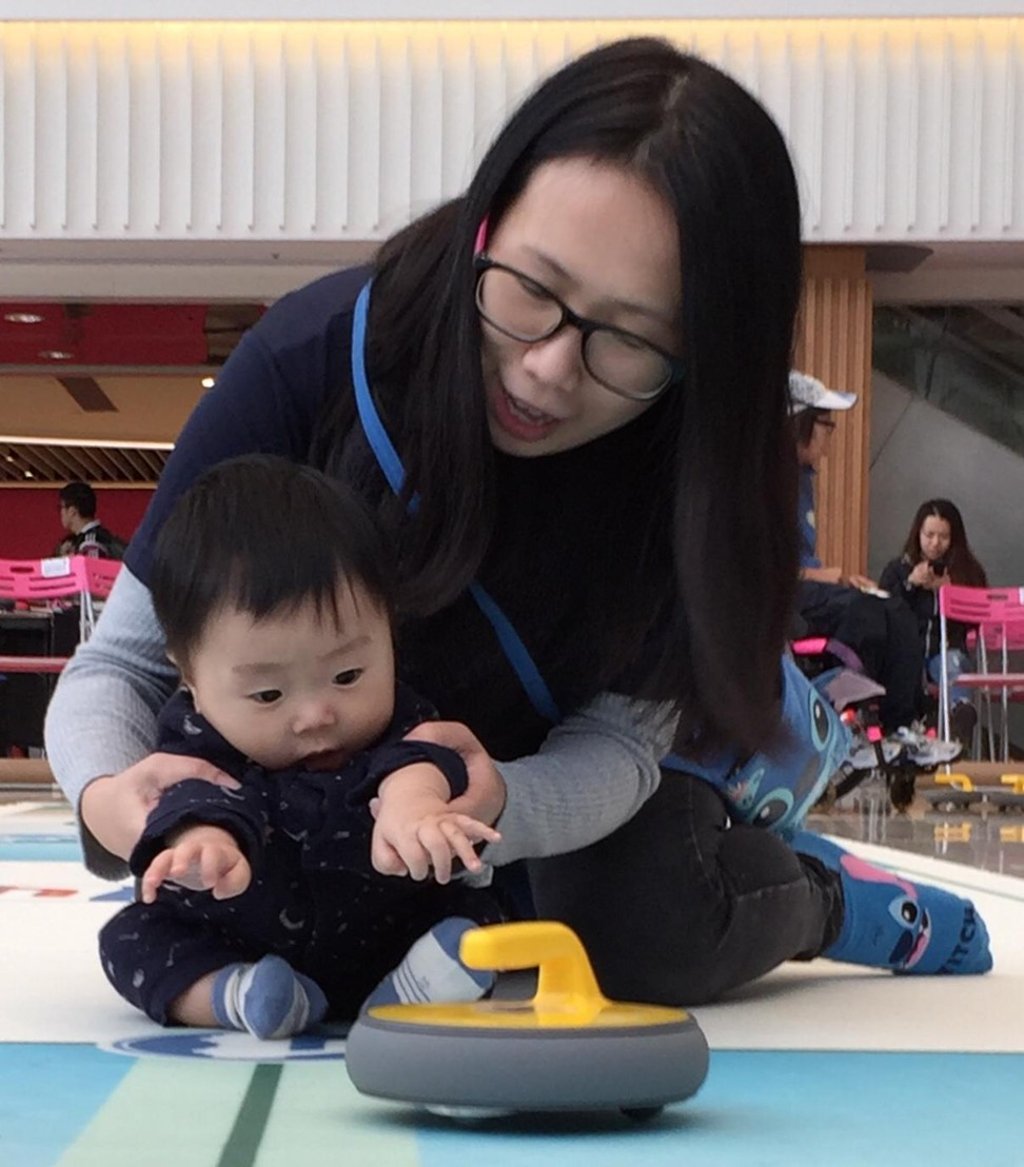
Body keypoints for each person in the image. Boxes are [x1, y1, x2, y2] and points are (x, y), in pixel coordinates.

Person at [46, 37, 991, 1008]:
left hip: (521, 783)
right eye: (531, 291)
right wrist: (123, 798)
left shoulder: (684, 475)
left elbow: (619, 751)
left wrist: (500, 798)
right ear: (484, 227)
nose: (546, 369)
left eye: (627, 339)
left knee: (634, 922)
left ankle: (824, 895)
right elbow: (122, 668)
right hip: (311, 766)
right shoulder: (319, 361)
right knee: (140, 786)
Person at [100, 455, 503, 1038]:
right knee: (129, 940)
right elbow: (194, 798)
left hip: (387, 929)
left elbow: (417, 761)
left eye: (348, 676)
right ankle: (235, 996)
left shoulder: (396, 720)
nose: (317, 715)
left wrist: (416, 810)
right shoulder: (197, 740)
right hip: (241, 939)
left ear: (389, 634)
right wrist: (203, 845)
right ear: (190, 677)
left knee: (479, 919)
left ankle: (409, 993)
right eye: (267, 693)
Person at [789, 371, 958, 768]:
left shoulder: (802, 480)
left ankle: (900, 727)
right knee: (865, 613)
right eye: (826, 426)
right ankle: (844, 723)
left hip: (812, 590)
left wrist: (840, 579)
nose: (830, 439)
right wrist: (824, 576)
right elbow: (759, 568)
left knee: (895, 611)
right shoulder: (764, 482)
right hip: (782, 597)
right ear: (800, 424)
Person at [879, 499, 988, 749]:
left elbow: (978, 619)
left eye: (943, 537)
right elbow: (883, 609)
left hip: (948, 649)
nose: (935, 544)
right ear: (918, 533)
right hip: (908, 652)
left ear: (955, 538)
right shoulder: (898, 569)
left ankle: (961, 714)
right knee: (904, 669)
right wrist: (910, 584)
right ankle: (906, 733)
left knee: (950, 663)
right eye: (929, 535)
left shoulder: (967, 571)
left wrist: (952, 594)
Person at [55, 481, 127, 560]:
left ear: (72, 511)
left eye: (61, 507)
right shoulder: (101, 536)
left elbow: (92, 571)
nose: (61, 513)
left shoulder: (90, 542)